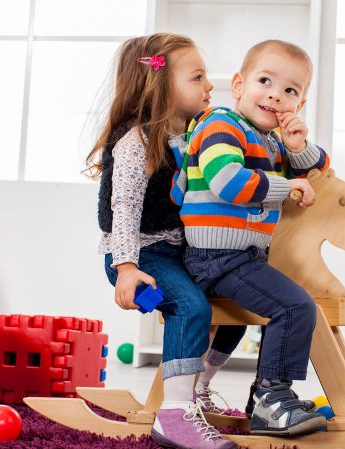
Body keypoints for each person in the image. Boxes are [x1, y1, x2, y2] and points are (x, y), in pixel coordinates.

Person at [86, 32, 236, 449]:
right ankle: (175, 419)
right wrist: (126, 268)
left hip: (179, 252)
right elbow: (124, 208)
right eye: (197, 77)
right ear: (160, 85)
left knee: (238, 306)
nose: (209, 86)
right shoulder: (135, 141)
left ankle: (196, 389)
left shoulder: (194, 134)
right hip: (140, 254)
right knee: (190, 308)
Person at [174, 39, 330, 436]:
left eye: (290, 90)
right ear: (239, 85)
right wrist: (287, 187)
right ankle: (271, 397)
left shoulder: (271, 140)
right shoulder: (221, 125)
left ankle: (234, 392)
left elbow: (320, 170)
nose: (276, 95)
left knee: (249, 318)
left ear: (299, 104)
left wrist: (297, 146)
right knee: (295, 306)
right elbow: (227, 182)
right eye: (265, 81)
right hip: (215, 256)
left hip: (242, 257)